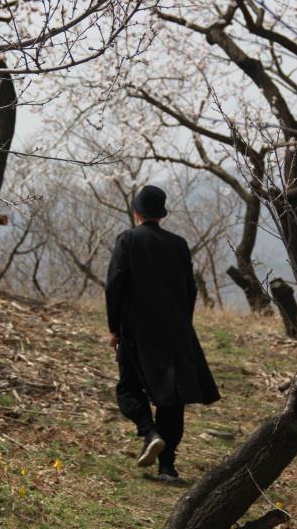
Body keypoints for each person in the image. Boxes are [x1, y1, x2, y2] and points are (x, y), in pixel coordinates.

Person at [106, 185, 220, 482]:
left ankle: (149, 431)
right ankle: (167, 466)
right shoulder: (179, 244)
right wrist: (182, 321)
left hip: (137, 330)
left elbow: (115, 286)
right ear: (161, 214)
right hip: (176, 331)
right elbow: (190, 288)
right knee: (172, 398)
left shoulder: (128, 240)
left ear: (136, 212)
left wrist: (114, 328)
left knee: (128, 387)